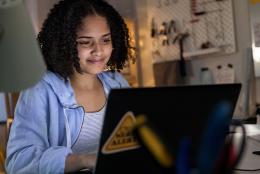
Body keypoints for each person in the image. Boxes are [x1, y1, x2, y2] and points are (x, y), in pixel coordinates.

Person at [5, 0, 135, 173]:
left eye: (105, 40)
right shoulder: (41, 89)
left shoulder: (117, 83)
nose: (98, 50)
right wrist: (84, 160)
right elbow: (18, 162)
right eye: (85, 42)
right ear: (64, 44)